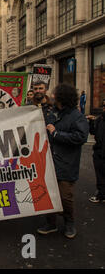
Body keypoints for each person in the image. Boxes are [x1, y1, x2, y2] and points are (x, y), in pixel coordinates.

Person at [37, 84, 89, 239]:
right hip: (49, 161)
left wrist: (57, 134)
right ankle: (51, 223)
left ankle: (69, 223)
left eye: (54, 94)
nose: (51, 95)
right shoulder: (53, 113)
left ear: (61, 97)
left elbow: (80, 137)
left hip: (66, 164)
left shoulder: (76, 116)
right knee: (48, 194)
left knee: (65, 196)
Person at [86, 98, 105, 203]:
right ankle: (101, 194)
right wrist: (91, 122)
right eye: (103, 106)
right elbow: (93, 132)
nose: (104, 108)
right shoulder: (100, 119)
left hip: (102, 152)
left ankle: (102, 195)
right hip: (99, 152)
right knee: (100, 175)